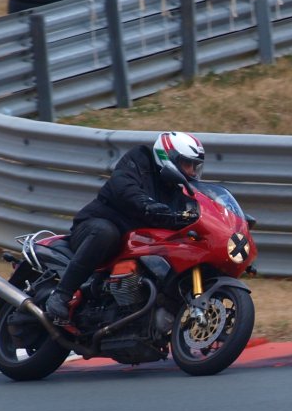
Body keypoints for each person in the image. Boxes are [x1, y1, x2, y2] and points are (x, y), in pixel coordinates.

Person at [44, 131, 205, 325]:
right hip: (94, 226)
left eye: (195, 166)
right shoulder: (139, 159)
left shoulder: (178, 191)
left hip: (132, 244)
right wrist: (147, 204)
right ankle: (61, 294)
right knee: (106, 233)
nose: (192, 172)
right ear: (168, 157)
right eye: (187, 164)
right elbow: (123, 186)